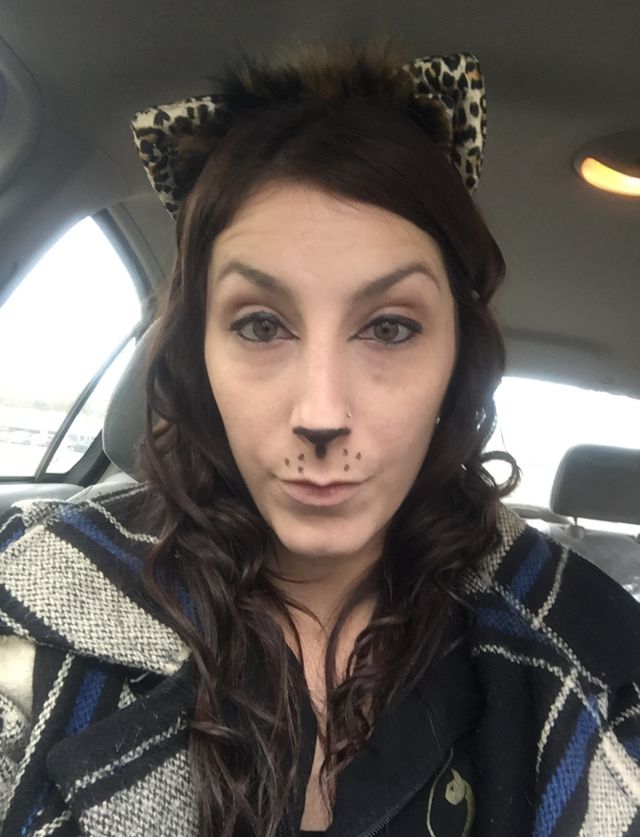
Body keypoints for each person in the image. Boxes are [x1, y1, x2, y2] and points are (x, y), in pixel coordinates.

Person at [1, 35, 640, 837]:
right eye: (261, 324)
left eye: (390, 327)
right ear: (198, 356)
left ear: (458, 364)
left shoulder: (591, 656)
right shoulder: (29, 594)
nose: (322, 410)